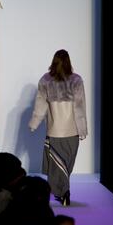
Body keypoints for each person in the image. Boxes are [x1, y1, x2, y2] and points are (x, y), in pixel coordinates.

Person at [29, 49, 87, 206]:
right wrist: (82, 129)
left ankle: (63, 192)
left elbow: (40, 106)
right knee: (66, 166)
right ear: (69, 62)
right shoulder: (76, 80)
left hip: (54, 132)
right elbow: (80, 108)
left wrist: (34, 124)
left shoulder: (46, 80)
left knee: (57, 167)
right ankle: (65, 192)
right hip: (72, 132)